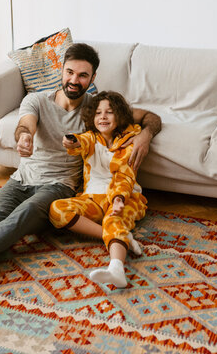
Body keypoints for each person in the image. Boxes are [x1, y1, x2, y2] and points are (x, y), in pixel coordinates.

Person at [0, 43, 161, 302]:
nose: (74, 80)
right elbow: (26, 124)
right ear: (61, 70)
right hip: (22, 177)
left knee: (20, 217)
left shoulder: (95, 109)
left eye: (82, 75)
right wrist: (25, 137)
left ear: (92, 78)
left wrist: (145, 136)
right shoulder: (36, 99)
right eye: (70, 72)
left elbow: (150, 116)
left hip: (59, 185)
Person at [49, 91, 147, 288]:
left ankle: (116, 269)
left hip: (126, 197)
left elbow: (124, 175)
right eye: (98, 113)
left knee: (114, 219)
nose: (103, 117)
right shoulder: (91, 138)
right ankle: (119, 237)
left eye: (109, 112)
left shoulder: (129, 140)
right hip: (93, 199)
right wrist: (72, 141)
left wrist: (118, 199)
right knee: (56, 209)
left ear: (119, 116)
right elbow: (81, 142)